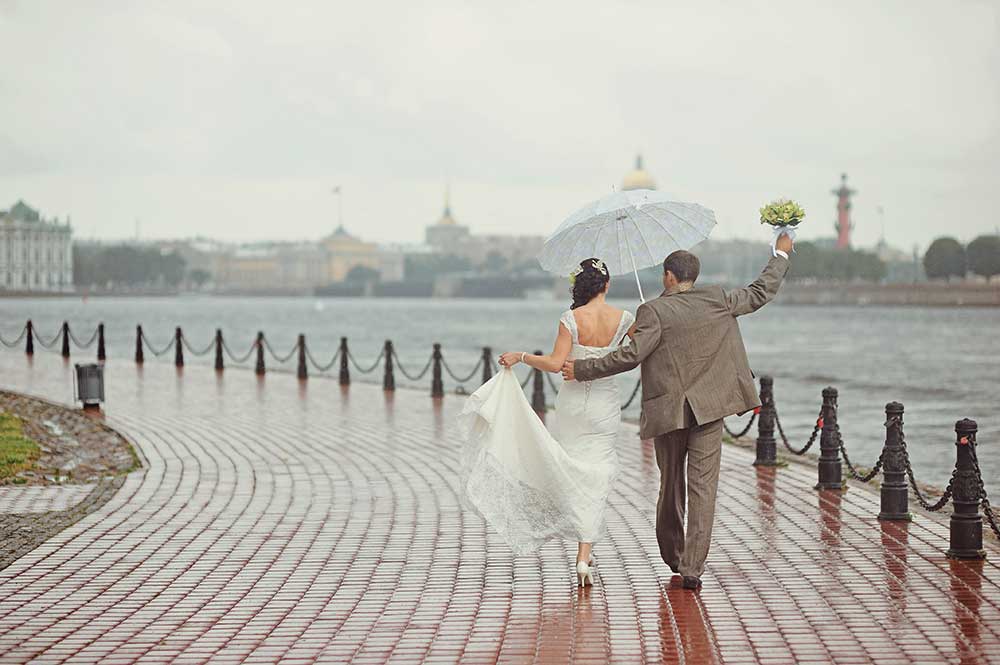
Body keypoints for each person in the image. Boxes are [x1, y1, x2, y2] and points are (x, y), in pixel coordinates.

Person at [561, 233, 793, 590]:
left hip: (670, 412)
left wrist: (583, 369)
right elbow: (760, 291)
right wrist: (780, 253)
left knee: (671, 486)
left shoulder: (652, 311)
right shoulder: (717, 299)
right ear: (692, 276)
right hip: (711, 407)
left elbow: (629, 356)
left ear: (669, 276)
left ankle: (674, 553)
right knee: (703, 488)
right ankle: (692, 568)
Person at [458, 258, 634, 587]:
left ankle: (578, 541)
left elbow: (555, 364)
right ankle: (585, 555)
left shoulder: (571, 318)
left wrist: (522, 356)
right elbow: (639, 351)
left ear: (582, 286)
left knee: (569, 466)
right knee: (598, 473)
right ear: (607, 286)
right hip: (605, 405)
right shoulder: (625, 319)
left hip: (571, 405)